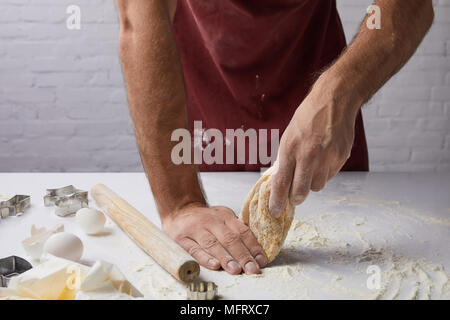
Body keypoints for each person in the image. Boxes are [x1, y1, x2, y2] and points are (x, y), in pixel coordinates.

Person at [115, 0, 434, 275]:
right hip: (204, 110)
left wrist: (342, 91)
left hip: (319, 99)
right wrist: (181, 203)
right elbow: (139, 18)